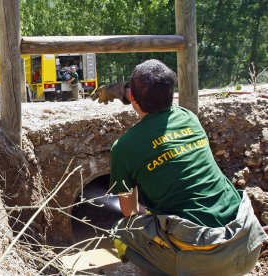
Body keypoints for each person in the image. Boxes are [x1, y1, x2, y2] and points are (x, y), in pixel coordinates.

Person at [92, 59, 267, 275]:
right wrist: (119, 91)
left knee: (122, 231)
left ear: (134, 99)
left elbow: (130, 211)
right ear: (171, 93)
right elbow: (148, 96)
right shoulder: (188, 117)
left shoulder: (123, 147)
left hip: (209, 265)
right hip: (248, 243)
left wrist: (155, 216)